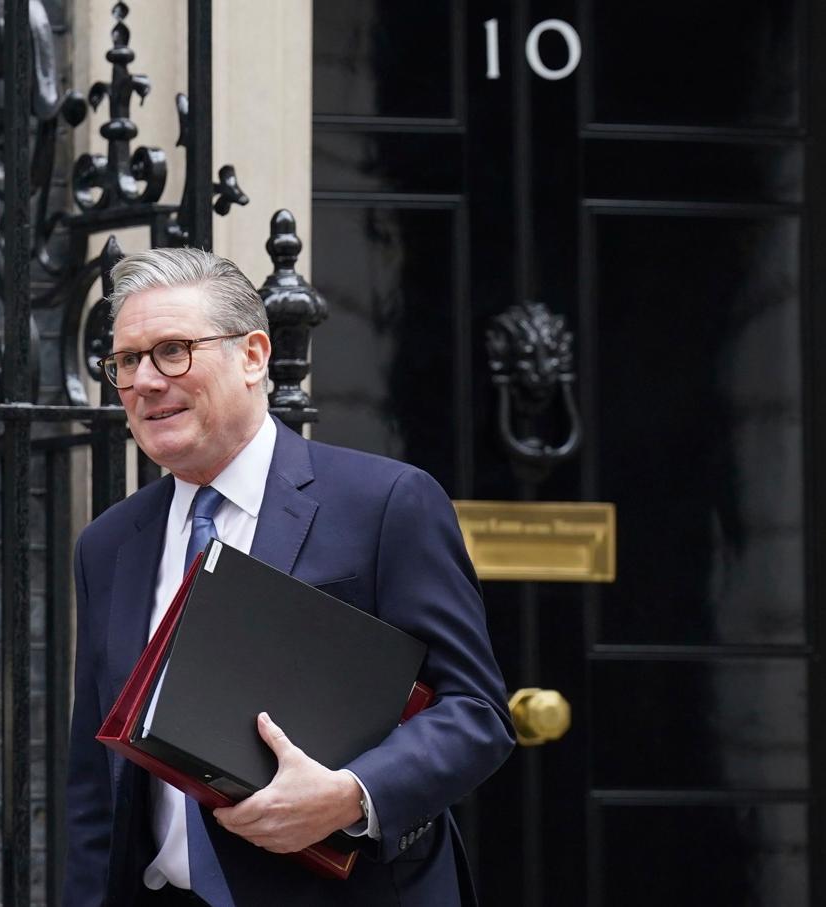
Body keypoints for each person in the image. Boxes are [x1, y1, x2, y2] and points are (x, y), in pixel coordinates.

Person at [63, 247, 515, 907]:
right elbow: (92, 788)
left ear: (253, 355)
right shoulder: (107, 545)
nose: (145, 381)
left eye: (172, 350)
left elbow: (476, 714)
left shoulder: (385, 504)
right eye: (126, 360)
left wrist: (349, 795)